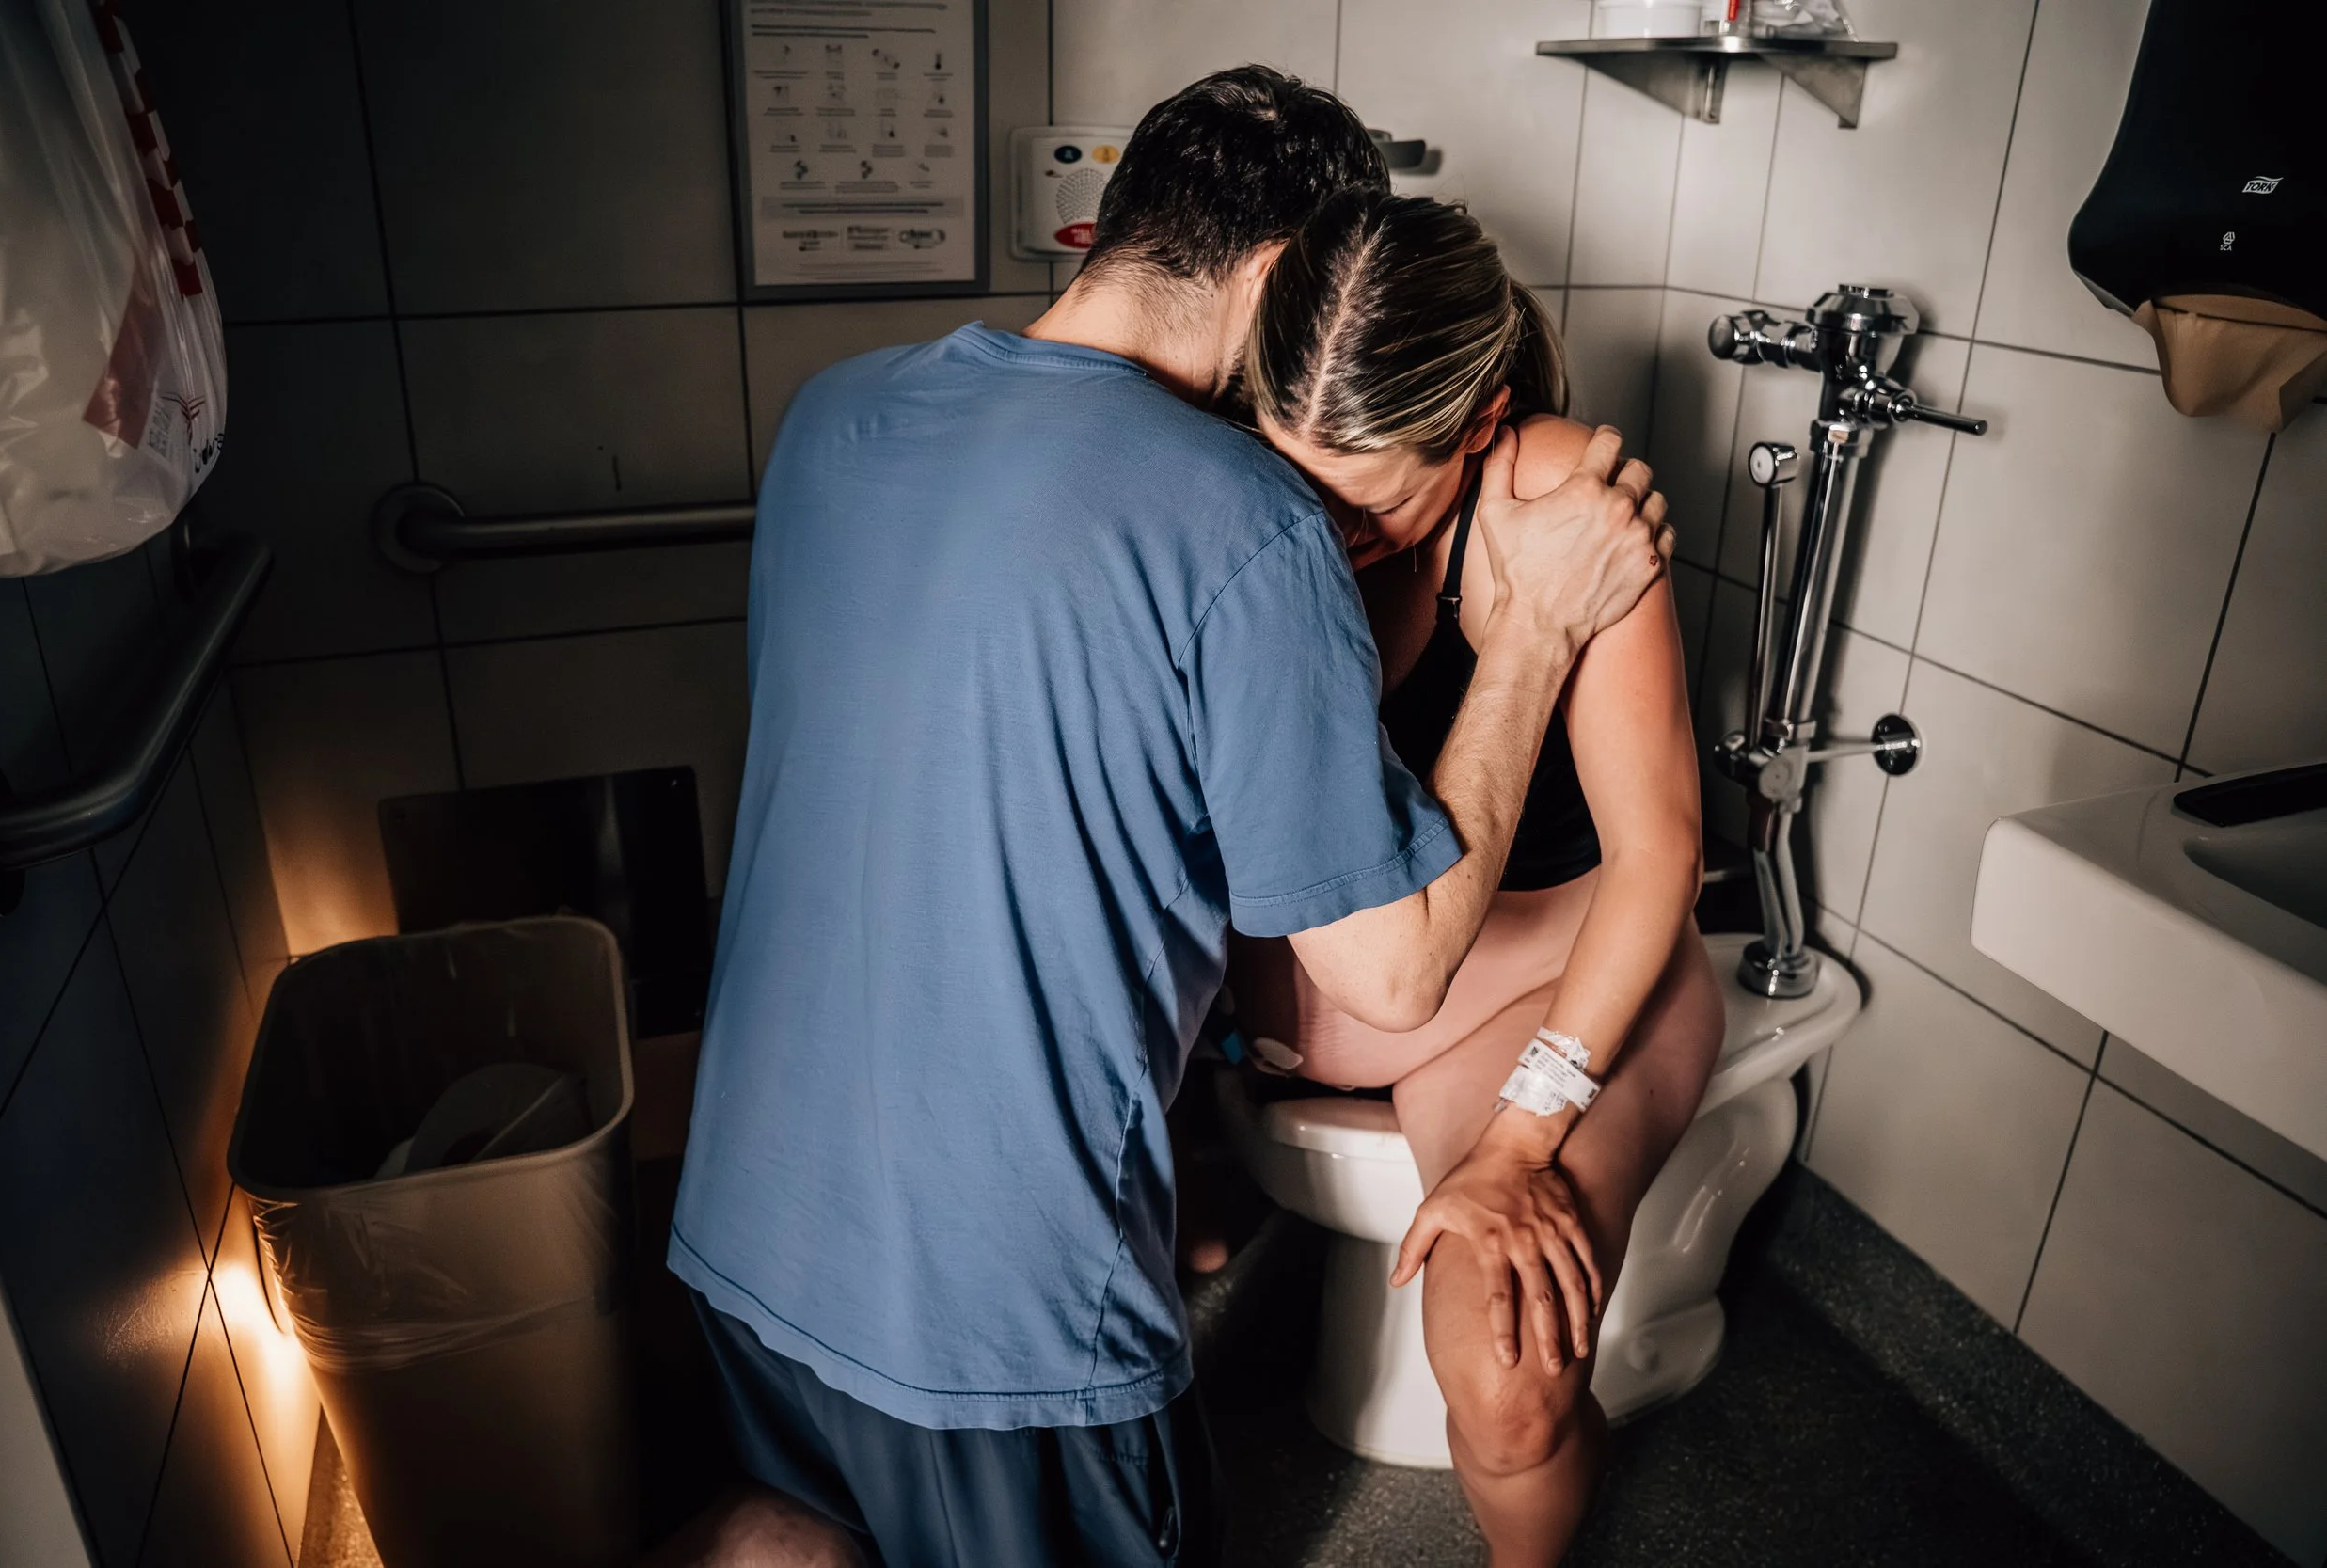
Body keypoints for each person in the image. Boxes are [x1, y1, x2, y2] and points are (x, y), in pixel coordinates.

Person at [661, 70, 1671, 1568]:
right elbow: (1390, 971)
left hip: (741, 1241)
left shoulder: (832, 418)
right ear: (1287, 282)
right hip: (993, 1334)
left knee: (789, 1538)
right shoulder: (1240, 518)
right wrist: (1528, 636)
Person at [1227, 190, 1725, 1566]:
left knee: (1509, 1387)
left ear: (1483, 419)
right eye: (1294, 478)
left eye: (1372, 501)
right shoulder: (1226, 466)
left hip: (1540, 990)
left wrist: (1519, 1139)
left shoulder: (1555, 496)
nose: (1322, 529)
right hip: (1330, 1009)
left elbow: (1659, 855)